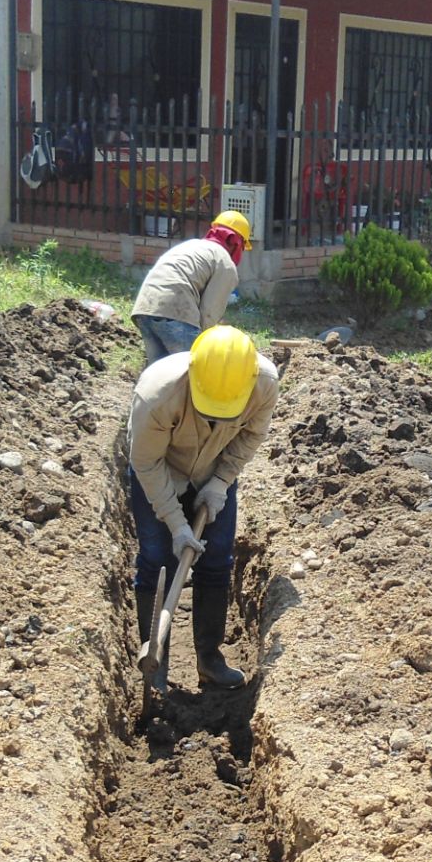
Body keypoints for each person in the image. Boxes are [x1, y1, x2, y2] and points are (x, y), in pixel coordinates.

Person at [127, 324, 278, 689]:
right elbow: (146, 463)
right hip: (162, 469)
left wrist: (221, 482)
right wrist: (178, 525)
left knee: (217, 560)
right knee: (155, 558)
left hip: (214, 470)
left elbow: (250, 436)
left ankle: (209, 659)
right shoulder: (157, 394)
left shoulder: (264, 383)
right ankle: (156, 662)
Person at [129, 210, 253, 366]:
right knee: (194, 372)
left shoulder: (192, 245)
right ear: (236, 243)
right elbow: (208, 313)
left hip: (144, 308)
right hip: (176, 312)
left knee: (158, 375)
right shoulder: (225, 263)